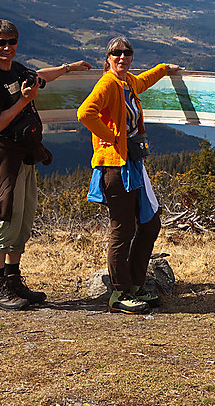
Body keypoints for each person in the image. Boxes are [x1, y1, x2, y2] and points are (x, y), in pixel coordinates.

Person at [0, 19, 92, 310]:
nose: (7, 47)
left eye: (11, 41)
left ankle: (13, 280)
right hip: (4, 158)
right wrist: (23, 101)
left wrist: (68, 68)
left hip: (25, 155)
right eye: (0, 42)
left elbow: (38, 76)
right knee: (5, 217)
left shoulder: (16, 70)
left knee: (23, 219)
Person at [77, 37, 182, 314]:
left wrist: (164, 68)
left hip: (132, 165)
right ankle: (119, 293)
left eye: (127, 53)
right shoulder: (108, 83)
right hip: (114, 167)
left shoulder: (128, 83)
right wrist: (111, 136)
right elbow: (85, 113)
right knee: (122, 229)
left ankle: (135, 285)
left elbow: (145, 80)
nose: (122, 57)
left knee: (149, 225)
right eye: (116, 53)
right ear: (108, 57)